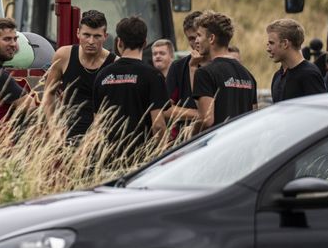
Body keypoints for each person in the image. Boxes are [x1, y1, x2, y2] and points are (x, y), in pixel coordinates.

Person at [93, 16, 168, 157]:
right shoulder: (153, 76)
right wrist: (163, 155)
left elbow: (97, 124)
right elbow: (158, 125)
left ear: (119, 42)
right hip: (142, 161)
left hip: (108, 159)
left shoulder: (102, 75)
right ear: (145, 43)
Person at [41, 10, 116, 141]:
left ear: (105, 36)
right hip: (69, 135)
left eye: (97, 36)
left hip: (102, 138)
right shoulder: (64, 55)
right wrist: (53, 128)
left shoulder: (115, 64)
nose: (91, 41)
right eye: (86, 35)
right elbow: (48, 94)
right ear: (78, 33)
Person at [191, 12, 257, 132]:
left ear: (211, 38)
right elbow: (252, 118)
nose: (196, 41)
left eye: (199, 36)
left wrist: (190, 131)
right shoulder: (248, 75)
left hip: (218, 146)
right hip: (243, 145)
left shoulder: (204, 73)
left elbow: (207, 120)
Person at [163, 11, 206, 138]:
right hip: (185, 138)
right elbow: (165, 110)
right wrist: (201, 114)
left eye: (199, 36)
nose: (196, 42)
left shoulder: (220, 66)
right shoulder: (178, 67)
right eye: (191, 38)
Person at [266, 18, 325, 103]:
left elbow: (319, 112)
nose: (268, 49)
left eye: (271, 43)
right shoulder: (278, 76)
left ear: (285, 43)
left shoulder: (309, 74)